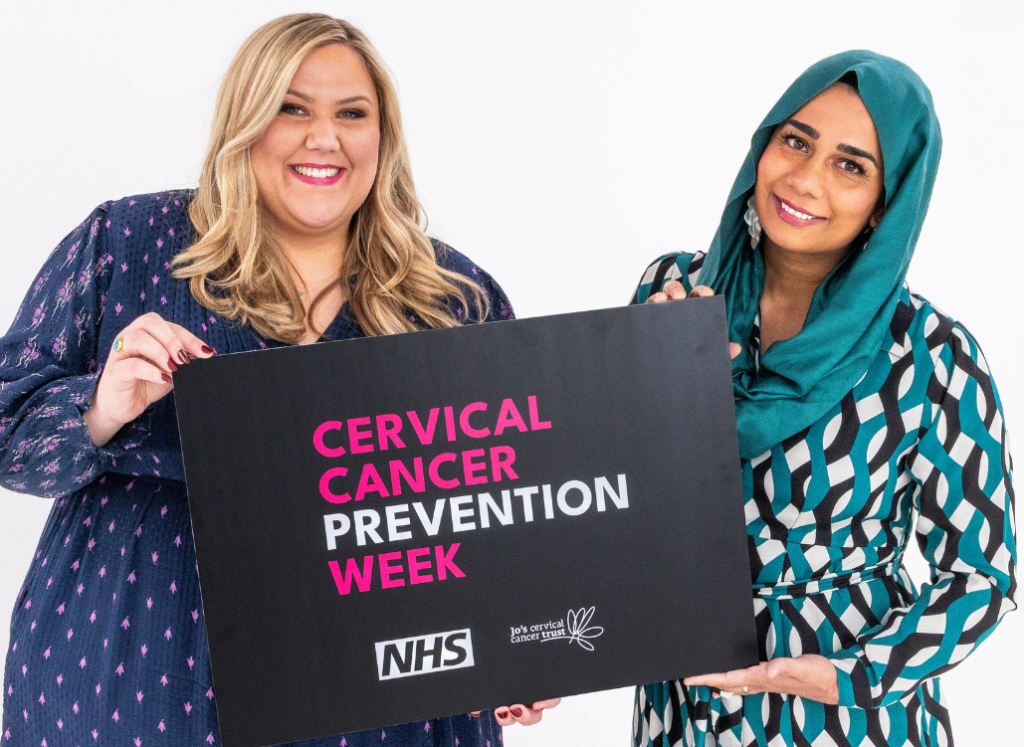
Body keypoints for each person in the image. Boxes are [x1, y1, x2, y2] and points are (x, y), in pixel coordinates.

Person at [0, 13, 557, 746]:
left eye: (351, 114)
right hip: (135, 682)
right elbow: (7, 437)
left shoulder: (454, 297)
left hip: (383, 707)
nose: (323, 137)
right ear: (244, 120)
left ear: (381, 138)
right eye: (291, 108)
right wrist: (101, 407)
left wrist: (525, 650)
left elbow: (508, 515)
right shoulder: (126, 245)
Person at [632, 51, 1016, 747]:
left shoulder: (930, 354)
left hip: (841, 718)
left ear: (885, 203)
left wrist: (840, 674)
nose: (805, 179)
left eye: (850, 165)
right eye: (795, 140)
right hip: (684, 709)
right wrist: (643, 375)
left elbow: (984, 574)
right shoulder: (676, 294)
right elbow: (604, 495)